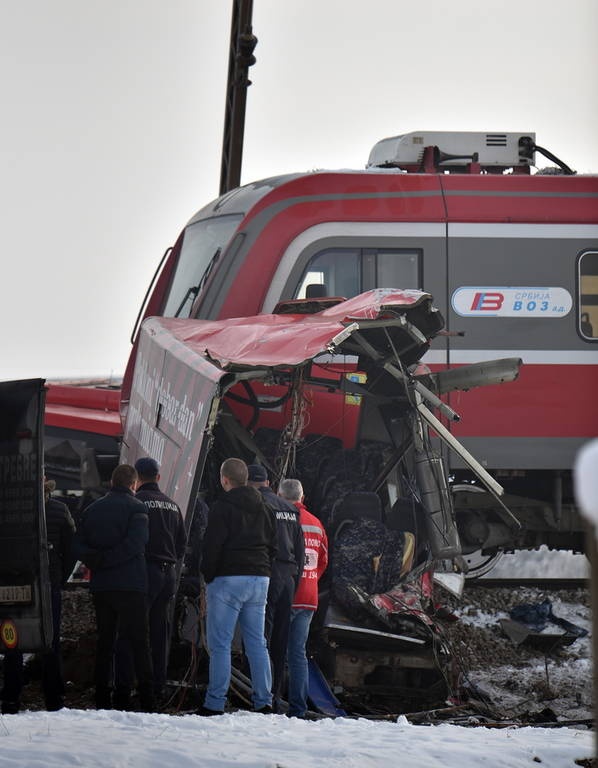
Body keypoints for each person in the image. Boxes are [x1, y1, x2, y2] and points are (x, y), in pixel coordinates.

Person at [72, 464, 155, 712]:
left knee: (105, 642)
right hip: (131, 585)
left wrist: (96, 560)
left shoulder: (92, 509)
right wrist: (110, 560)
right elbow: (136, 544)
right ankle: (147, 700)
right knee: (140, 642)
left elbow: (78, 544)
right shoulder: (137, 508)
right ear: (133, 485)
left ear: (111, 482)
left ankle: (101, 698)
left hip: (102, 586)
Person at [199, 458, 277, 715]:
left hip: (228, 579)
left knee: (220, 644)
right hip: (260, 579)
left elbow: (212, 546)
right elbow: (274, 544)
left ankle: (215, 703)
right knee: (257, 642)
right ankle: (264, 701)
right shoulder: (265, 507)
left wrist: (207, 575)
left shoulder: (222, 507)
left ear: (225, 479)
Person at [114, 457, 187, 709]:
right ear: (158, 477)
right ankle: (158, 686)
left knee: (129, 631)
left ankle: (124, 688)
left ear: (136, 479)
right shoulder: (172, 505)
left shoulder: (135, 502)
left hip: (143, 572)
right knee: (159, 632)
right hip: (167, 575)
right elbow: (181, 544)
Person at [1, 477, 76, 714]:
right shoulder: (59, 510)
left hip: (14, 582)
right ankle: (54, 699)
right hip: (47, 583)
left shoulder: (9, 508)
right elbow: (71, 549)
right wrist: (59, 578)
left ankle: (11, 698)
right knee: (50, 639)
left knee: (12, 639)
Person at [247, 464, 305, 713]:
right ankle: (276, 695)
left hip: (267, 574)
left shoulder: (258, 506)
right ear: (269, 483)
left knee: (262, 637)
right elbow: (301, 551)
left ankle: (263, 695)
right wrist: (295, 578)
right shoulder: (292, 510)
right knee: (281, 638)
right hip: (289, 576)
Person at [278, 478, 328, 718]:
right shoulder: (317, 524)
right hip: (309, 596)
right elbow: (324, 560)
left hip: (287, 594)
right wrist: (311, 579)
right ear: (302, 497)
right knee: (298, 653)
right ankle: (298, 708)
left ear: (280, 496)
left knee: (276, 649)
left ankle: (274, 701)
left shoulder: (283, 519)